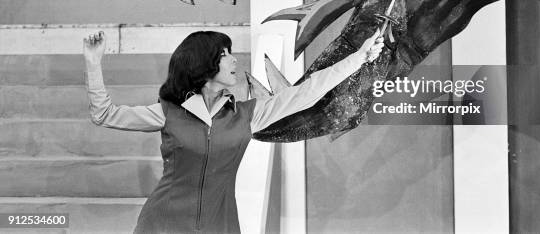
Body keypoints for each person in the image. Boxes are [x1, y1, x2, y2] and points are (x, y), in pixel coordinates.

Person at [83, 29, 384, 234]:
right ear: (204, 63)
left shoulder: (247, 115)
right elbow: (104, 114)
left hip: (221, 225)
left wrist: (359, 57)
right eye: (224, 53)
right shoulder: (168, 112)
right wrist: (93, 62)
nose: (233, 59)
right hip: (163, 224)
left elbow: (307, 93)